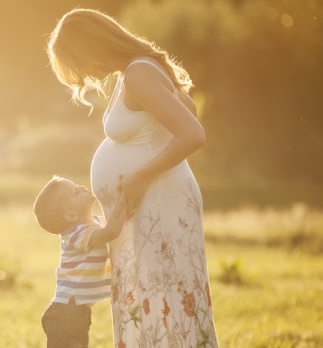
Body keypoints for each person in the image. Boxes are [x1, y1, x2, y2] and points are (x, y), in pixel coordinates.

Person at [46, 8, 219, 347]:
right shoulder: (135, 71)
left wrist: (140, 175)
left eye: (80, 67)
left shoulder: (139, 72)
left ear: (91, 48)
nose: (85, 77)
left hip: (159, 202)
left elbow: (193, 133)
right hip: (150, 205)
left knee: (165, 293)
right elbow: (188, 110)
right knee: (152, 296)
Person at [33, 175, 127, 348]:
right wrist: (126, 198)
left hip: (75, 311)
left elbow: (113, 225)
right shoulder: (76, 234)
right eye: (76, 192)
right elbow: (112, 232)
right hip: (67, 312)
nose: (82, 187)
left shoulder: (97, 223)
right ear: (71, 215)